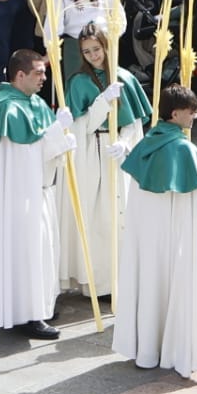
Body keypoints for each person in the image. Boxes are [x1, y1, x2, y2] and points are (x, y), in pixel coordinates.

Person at [114, 83, 197, 378]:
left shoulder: (146, 145)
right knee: (177, 286)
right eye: (190, 111)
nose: (195, 115)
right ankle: (183, 348)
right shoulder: (184, 149)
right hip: (176, 238)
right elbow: (195, 202)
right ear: (175, 114)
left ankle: (148, 348)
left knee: (151, 285)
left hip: (148, 237)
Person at [0, 49, 71, 340]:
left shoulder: (33, 103)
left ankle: (38, 303)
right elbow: (27, 157)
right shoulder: (8, 109)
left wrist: (61, 137)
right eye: (38, 73)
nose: (45, 77)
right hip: (21, 194)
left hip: (37, 190)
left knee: (42, 247)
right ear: (20, 75)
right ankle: (30, 314)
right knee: (29, 248)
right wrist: (58, 132)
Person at [59, 23, 146, 300]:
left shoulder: (124, 79)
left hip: (117, 152)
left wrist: (125, 142)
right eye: (86, 51)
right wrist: (102, 103)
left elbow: (134, 122)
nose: (93, 56)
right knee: (97, 218)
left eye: (96, 49)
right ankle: (100, 282)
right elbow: (80, 125)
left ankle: (123, 276)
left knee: (122, 213)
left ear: (106, 46)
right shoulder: (79, 82)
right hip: (93, 153)